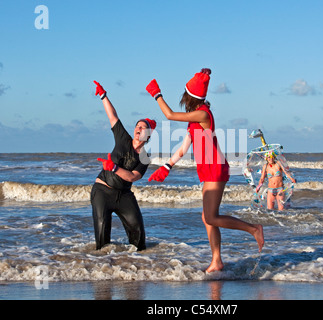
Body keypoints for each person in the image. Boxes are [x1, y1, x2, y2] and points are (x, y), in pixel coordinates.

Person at [145, 68, 264, 273]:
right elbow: (183, 147)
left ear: (190, 97)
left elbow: (170, 114)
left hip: (215, 167)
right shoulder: (194, 119)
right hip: (208, 168)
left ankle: (253, 229)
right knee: (207, 216)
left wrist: (157, 95)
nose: (183, 100)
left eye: (185, 96)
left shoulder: (202, 114)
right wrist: (166, 166)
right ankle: (216, 260)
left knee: (210, 217)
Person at [91, 80, 156, 251]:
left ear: (148, 135)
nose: (139, 128)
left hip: (124, 195)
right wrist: (103, 95)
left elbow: (133, 176)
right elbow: (113, 116)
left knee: (139, 238)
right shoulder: (123, 138)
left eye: (143, 128)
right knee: (102, 240)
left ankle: (137, 265)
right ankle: (102, 268)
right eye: (137, 126)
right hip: (102, 191)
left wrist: (113, 167)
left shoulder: (145, 158)